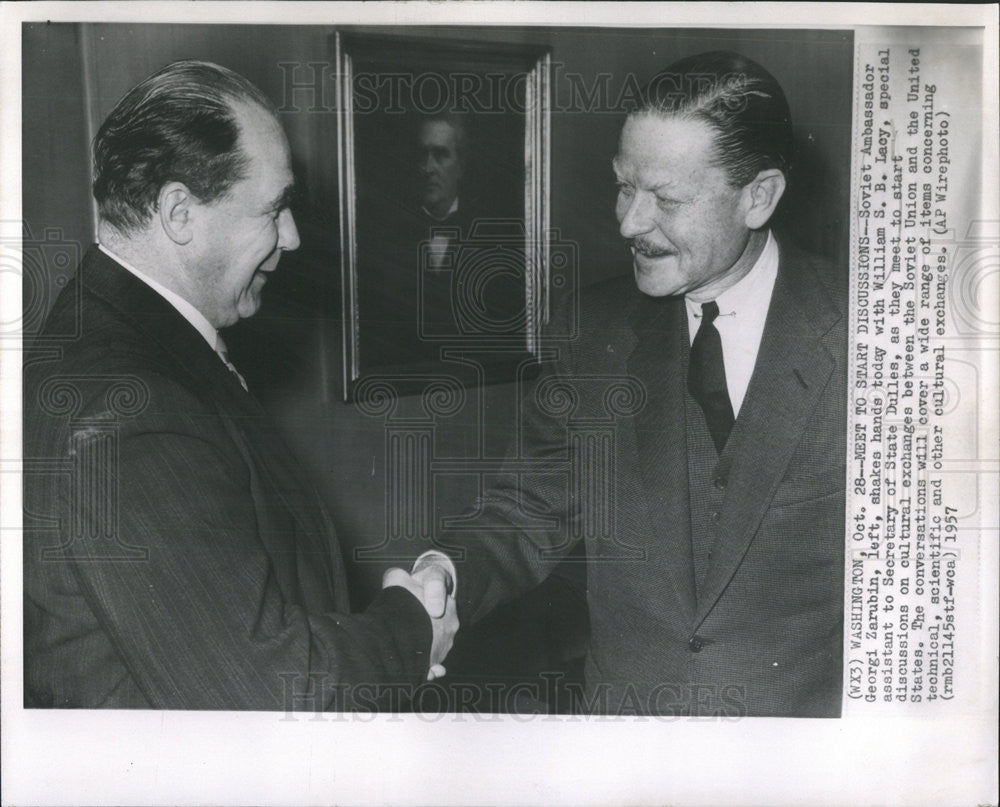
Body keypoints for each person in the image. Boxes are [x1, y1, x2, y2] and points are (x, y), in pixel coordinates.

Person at [402, 50, 847, 717]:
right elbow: (529, 510)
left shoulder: (877, 333)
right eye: (623, 185)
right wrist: (445, 571)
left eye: (666, 199)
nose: (629, 222)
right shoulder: (590, 331)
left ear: (760, 196)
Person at [22, 60, 456, 711]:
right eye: (274, 209)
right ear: (179, 212)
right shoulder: (134, 411)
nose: (292, 237)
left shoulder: (113, 329)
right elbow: (269, 691)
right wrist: (412, 628)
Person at [359, 112, 524, 369]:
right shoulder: (387, 241)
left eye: (441, 154)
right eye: (422, 155)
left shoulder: (494, 241)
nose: (428, 167)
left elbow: (504, 337)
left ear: (461, 166)